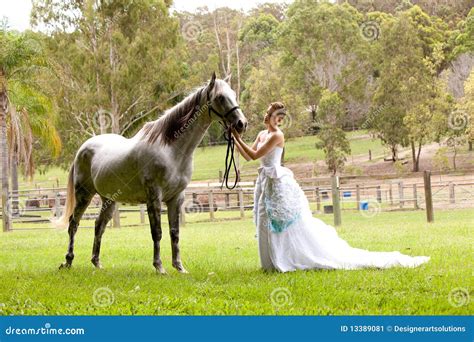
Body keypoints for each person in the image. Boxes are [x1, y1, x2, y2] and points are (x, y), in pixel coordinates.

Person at [231, 102, 430, 272]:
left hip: (276, 181)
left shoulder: (277, 136)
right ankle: (269, 263)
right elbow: (249, 156)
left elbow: (257, 155)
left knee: (280, 221)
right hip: (264, 181)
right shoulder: (262, 134)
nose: (276, 120)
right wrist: (234, 139)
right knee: (265, 219)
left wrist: (238, 138)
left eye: (279, 118)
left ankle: (284, 260)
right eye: (274, 116)